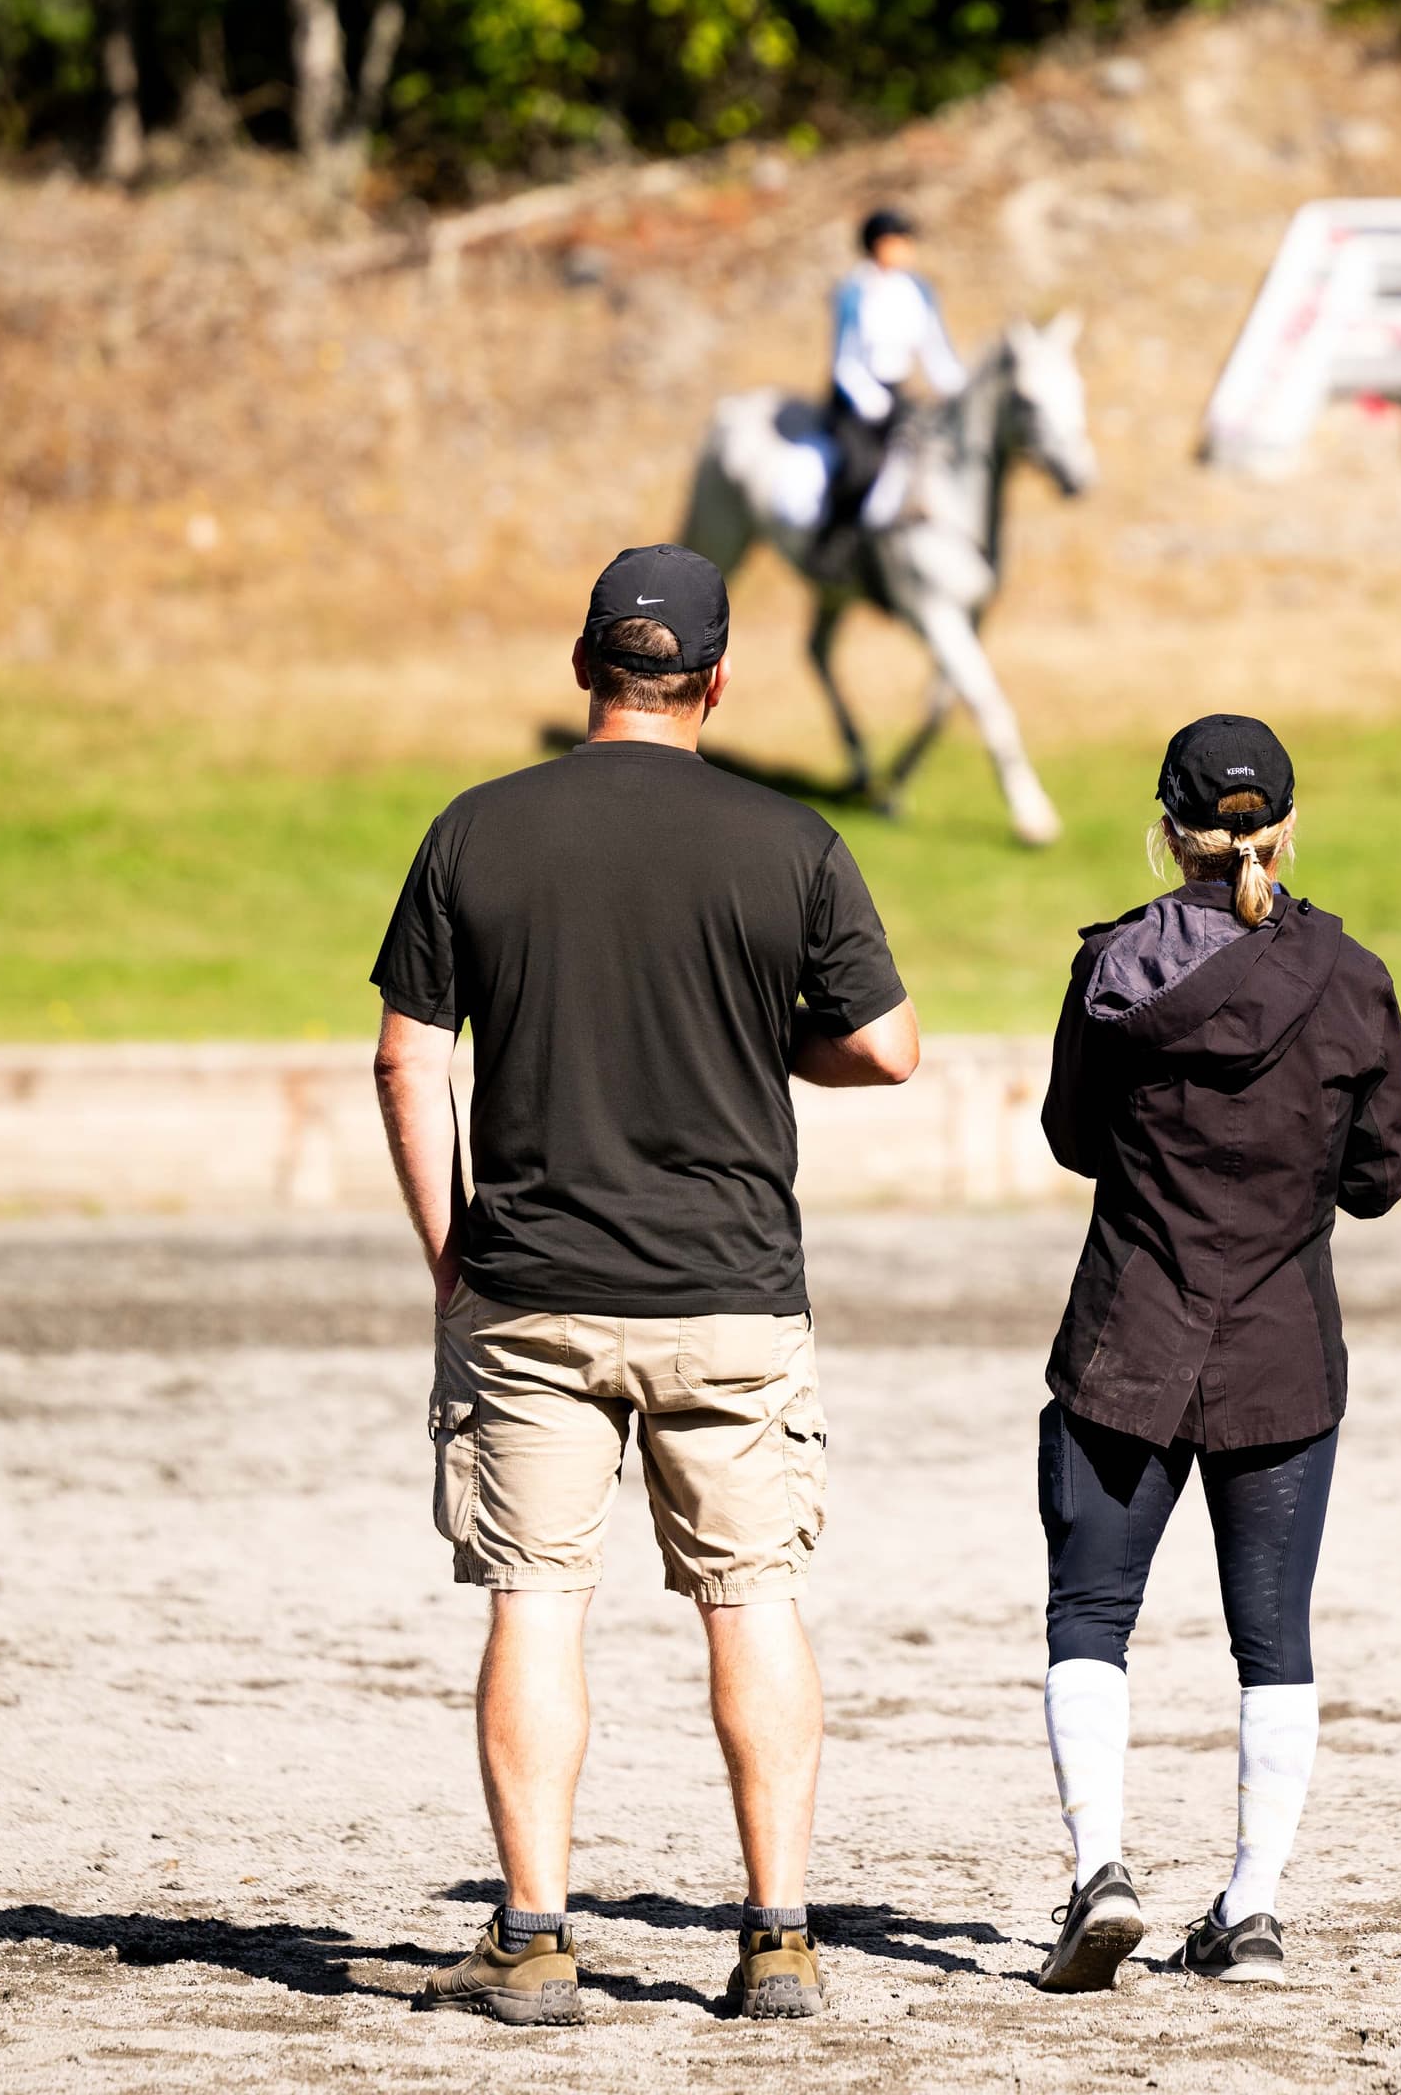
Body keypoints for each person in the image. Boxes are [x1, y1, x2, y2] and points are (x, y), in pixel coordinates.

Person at [368, 542, 923, 2027]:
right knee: (753, 1600)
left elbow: (407, 1062)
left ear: (583, 672)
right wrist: (759, 1040)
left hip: (532, 1291)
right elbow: (888, 1046)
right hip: (733, 1295)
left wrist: (450, 1260)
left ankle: (536, 1938)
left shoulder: (476, 832)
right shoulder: (788, 840)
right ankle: (781, 1937)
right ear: (720, 682)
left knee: (536, 1603)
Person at [1027, 715, 1401, 1993]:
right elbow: (1376, 1182)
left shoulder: (1111, 969)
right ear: (1286, 826)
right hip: (1280, 1353)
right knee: (1273, 1638)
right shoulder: (1352, 979)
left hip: (1126, 1338)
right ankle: (1251, 1910)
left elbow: (1076, 1140)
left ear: (1168, 827)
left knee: (1091, 1614)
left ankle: (1101, 1872)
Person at [819, 206, 963, 577]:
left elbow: (936, 348)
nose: (906, 249)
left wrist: (956, 388)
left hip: (899, 395)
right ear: (878, 245)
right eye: (898, 241)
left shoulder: (917, 290)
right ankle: (837, 548)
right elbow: (844, 358)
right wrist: (870, 399)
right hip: (857, 399)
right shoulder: (854, 290)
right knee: (859, 467)